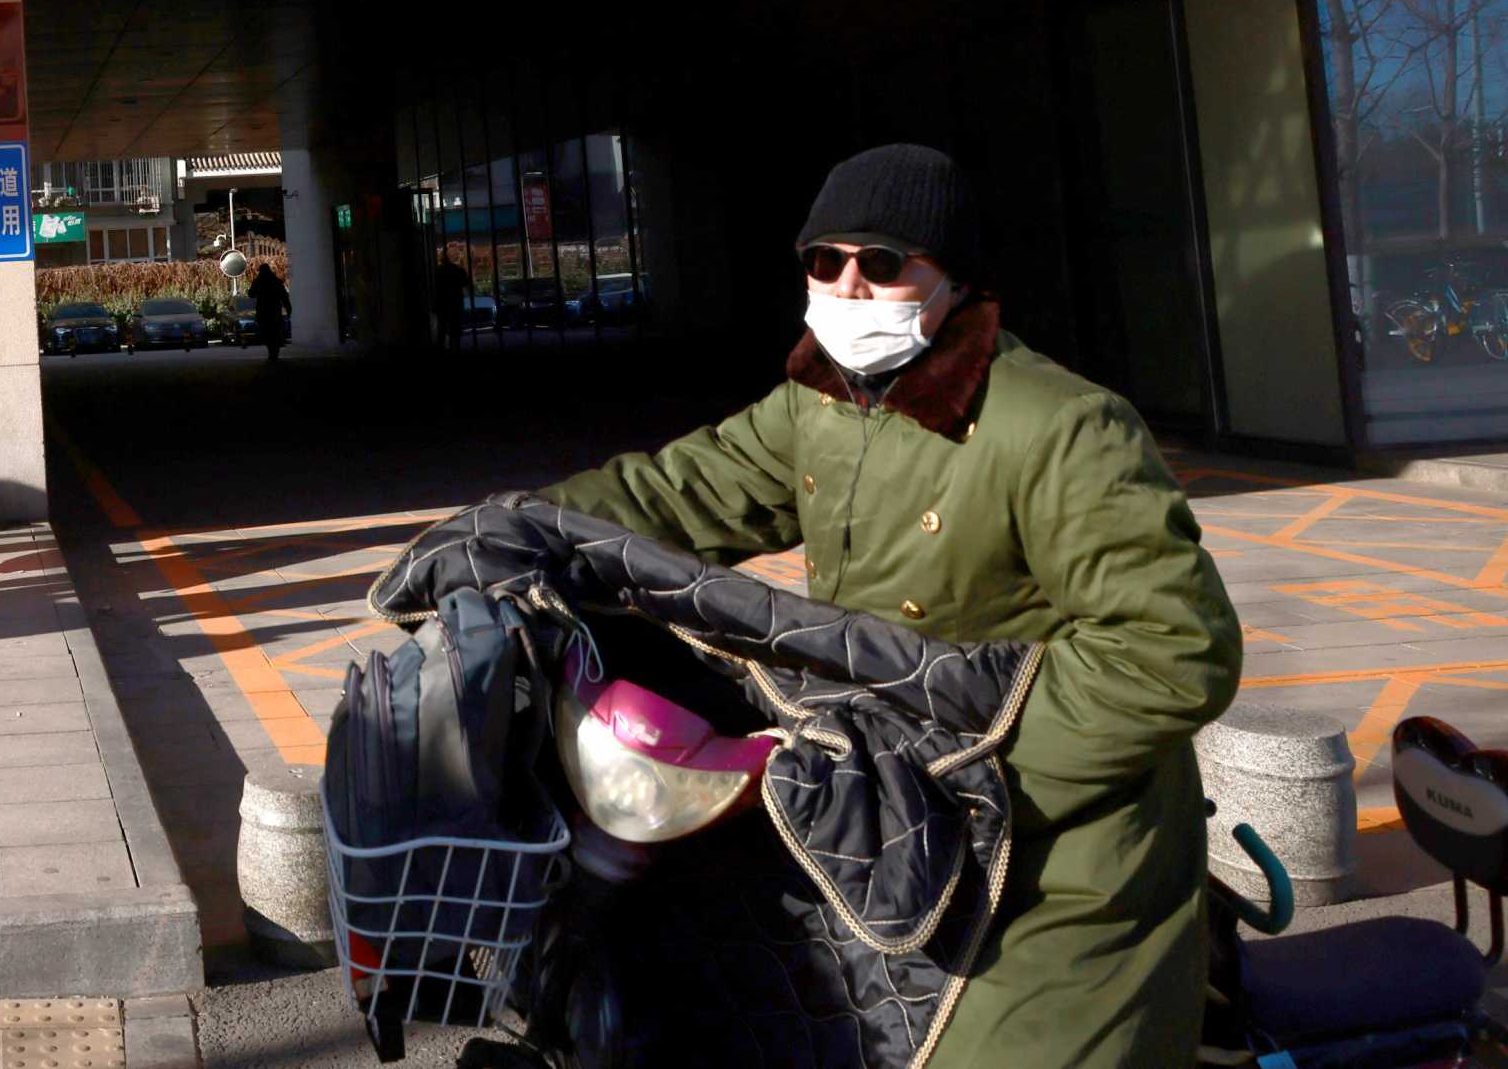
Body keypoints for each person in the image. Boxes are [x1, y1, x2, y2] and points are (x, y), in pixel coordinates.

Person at [540, 143, 1241, 1069]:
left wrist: (975, 753)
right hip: (889, 801)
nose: (848, 285)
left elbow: (1174, 650)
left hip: (1052, 846)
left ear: (951, 277)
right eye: (825, 262)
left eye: (880, 262)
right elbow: (682, 490)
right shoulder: (820, 402)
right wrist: (519, 529)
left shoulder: (1060, 424)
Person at [248, 263, 291, 362]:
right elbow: (284, 297)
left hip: (263, 311)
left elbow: (251, 294)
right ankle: (274, 353)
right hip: (275, 310)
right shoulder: (276, 281)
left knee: (266, 332)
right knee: (275, 332)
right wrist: (288, 309)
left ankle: (271, 353)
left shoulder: (258, 281)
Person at [431, 252, 472, 350]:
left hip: (442, 304)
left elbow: (433, 287)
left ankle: (442, 346)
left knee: (442, 328)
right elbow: (466, 283)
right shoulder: (458, 269)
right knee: (455, 329)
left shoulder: (437, 271)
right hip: (456, 303)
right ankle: (455, 346)